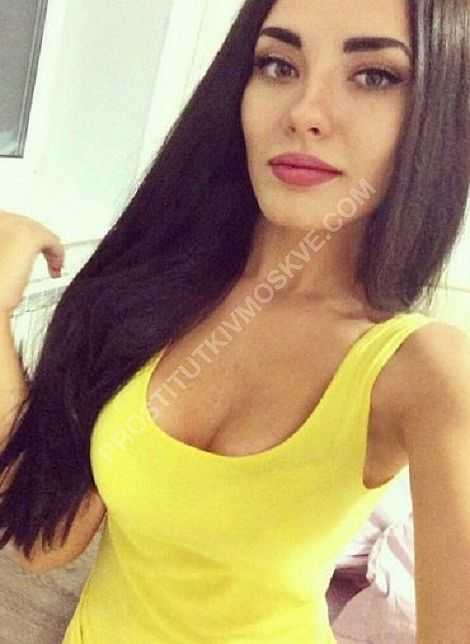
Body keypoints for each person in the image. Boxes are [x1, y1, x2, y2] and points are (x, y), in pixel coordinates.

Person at [0, 0, 469, 642]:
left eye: (374, 76)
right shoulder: (152, 292)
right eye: (279, 65)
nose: (304, 112)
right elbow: (47, 542)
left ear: (436, 113)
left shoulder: (425, 371)